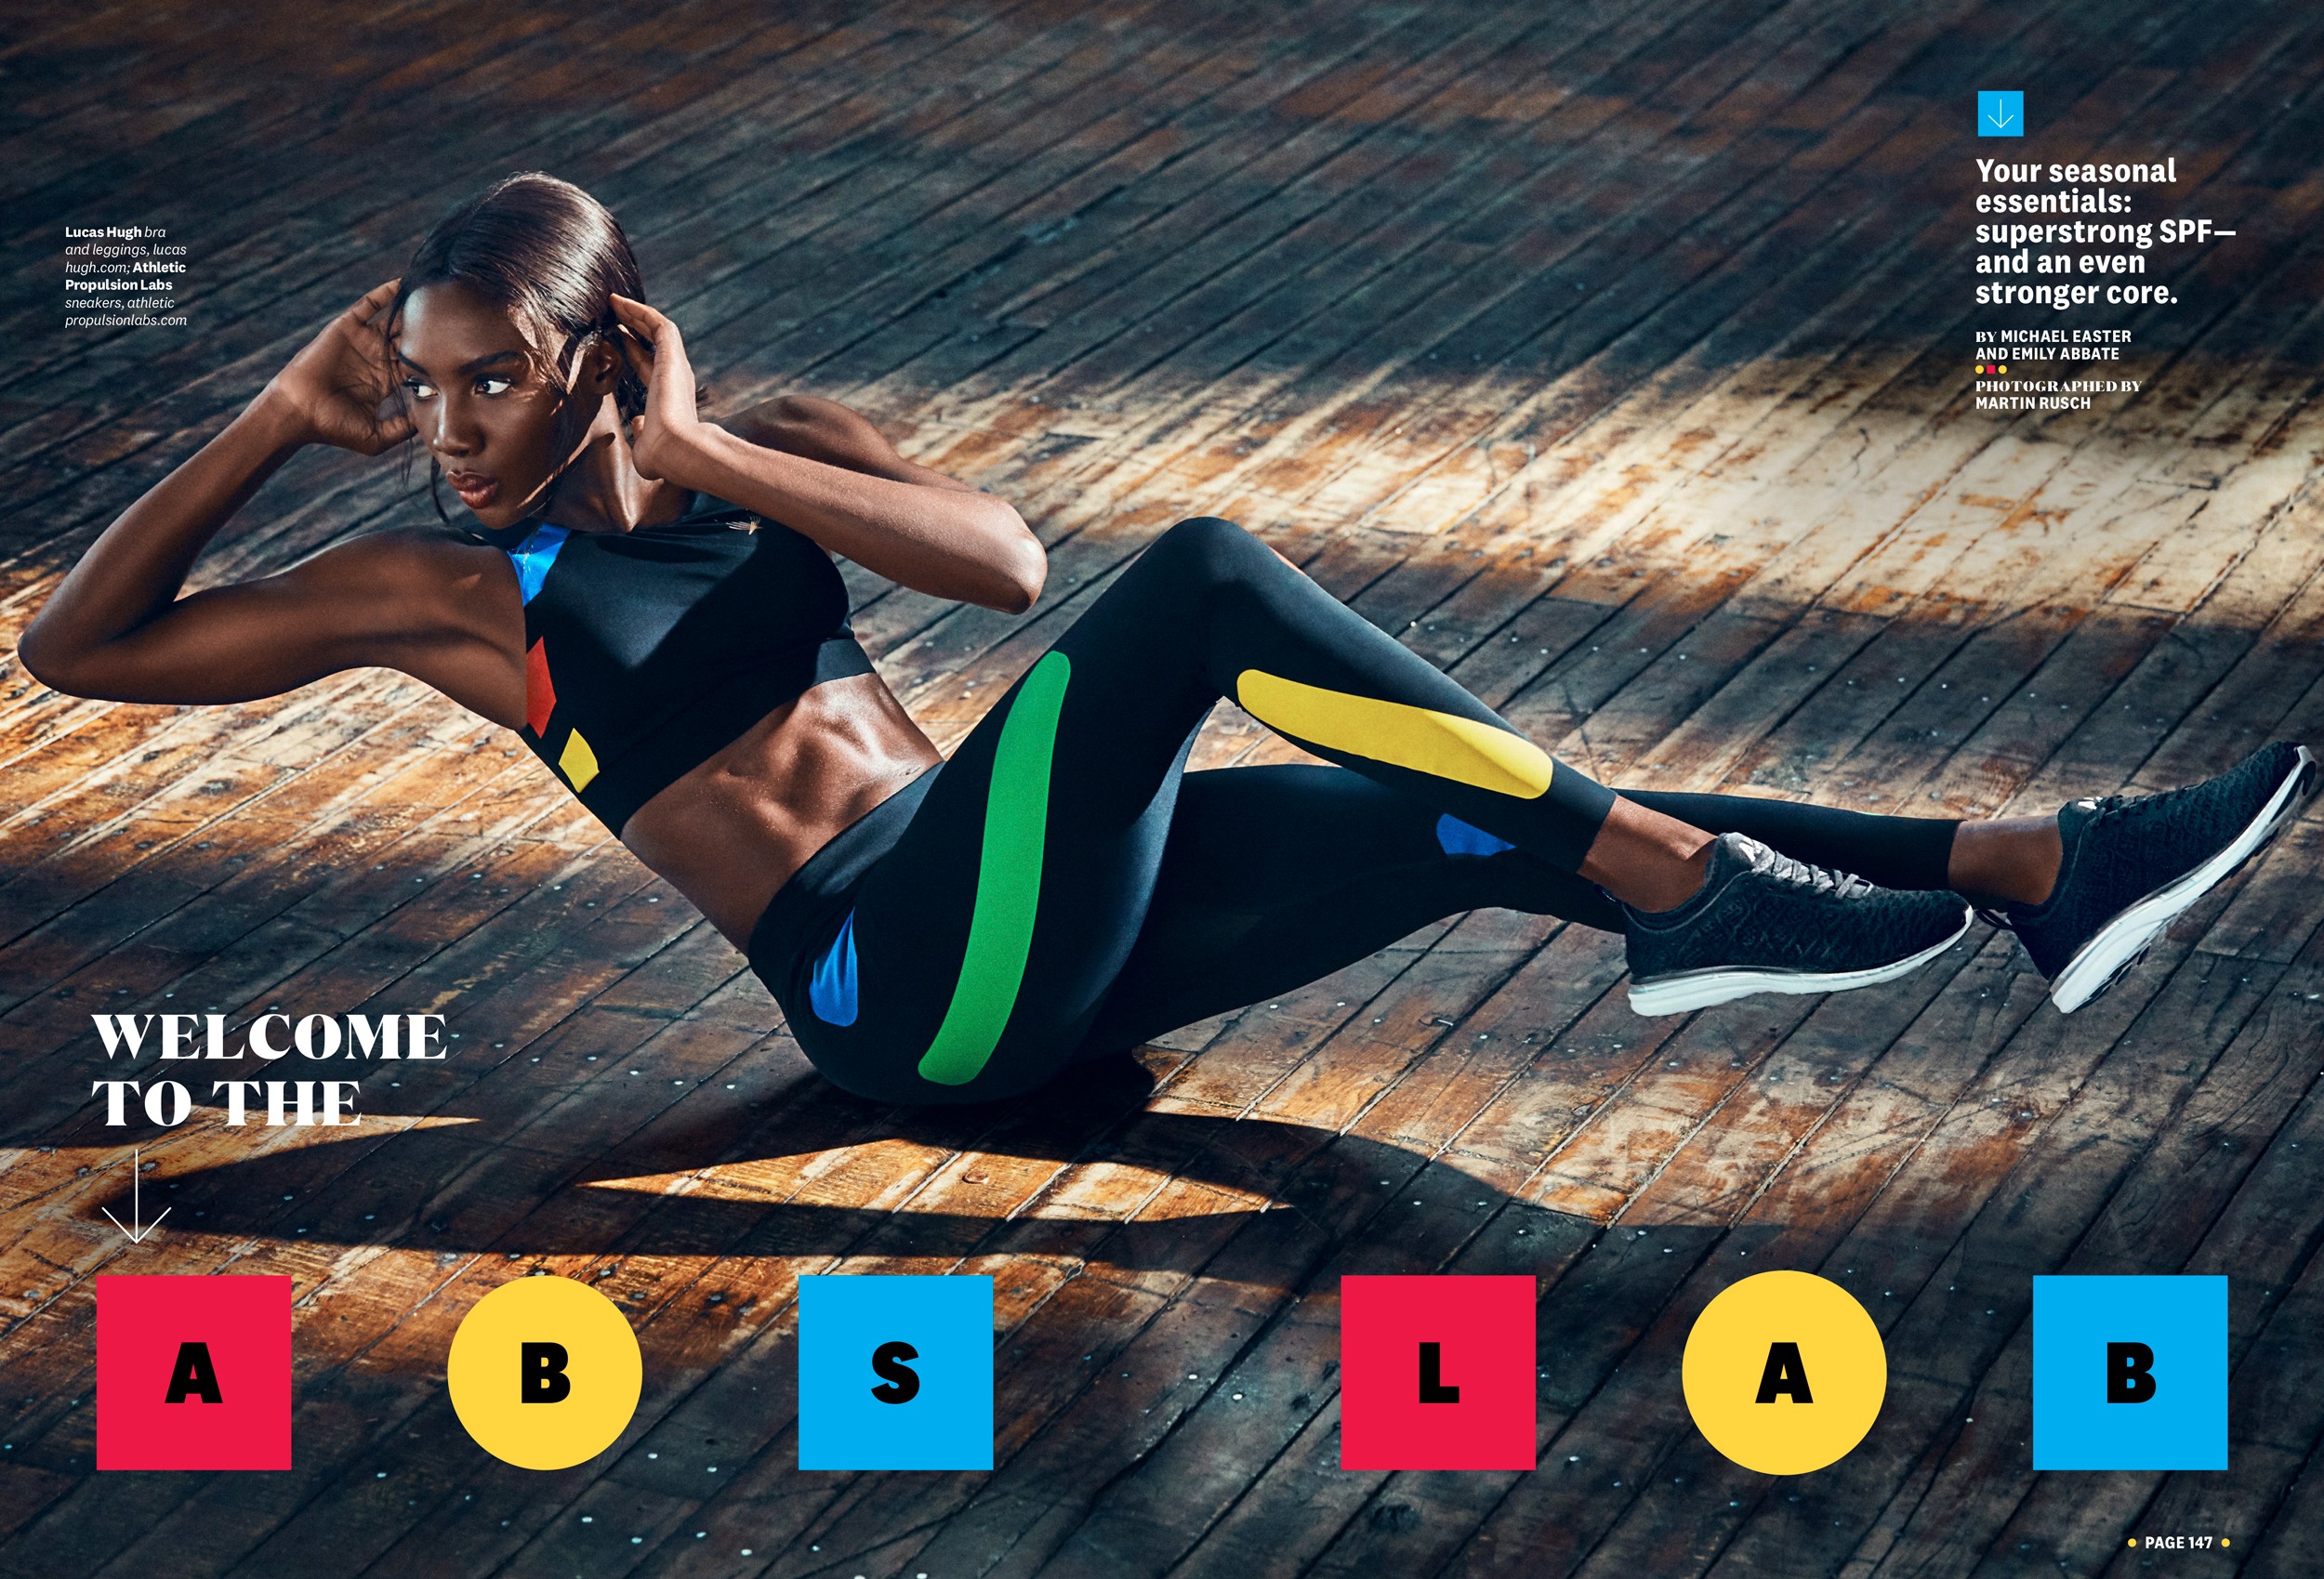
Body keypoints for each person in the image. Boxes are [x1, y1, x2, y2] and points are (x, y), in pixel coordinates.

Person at [22, 174, 2315, 1107]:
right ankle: (1680, 896)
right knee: (1212, 579)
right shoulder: (450, 594)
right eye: (412, 384)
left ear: (603, 347)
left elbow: (1006, 570)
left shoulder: (763, 449)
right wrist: (256, 417)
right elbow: (81, 660)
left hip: (1045, 913)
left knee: (1462, 816)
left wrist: (704, 450)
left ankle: (2032, 867)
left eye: (482, 378)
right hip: (892, 985)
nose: (439, 427)